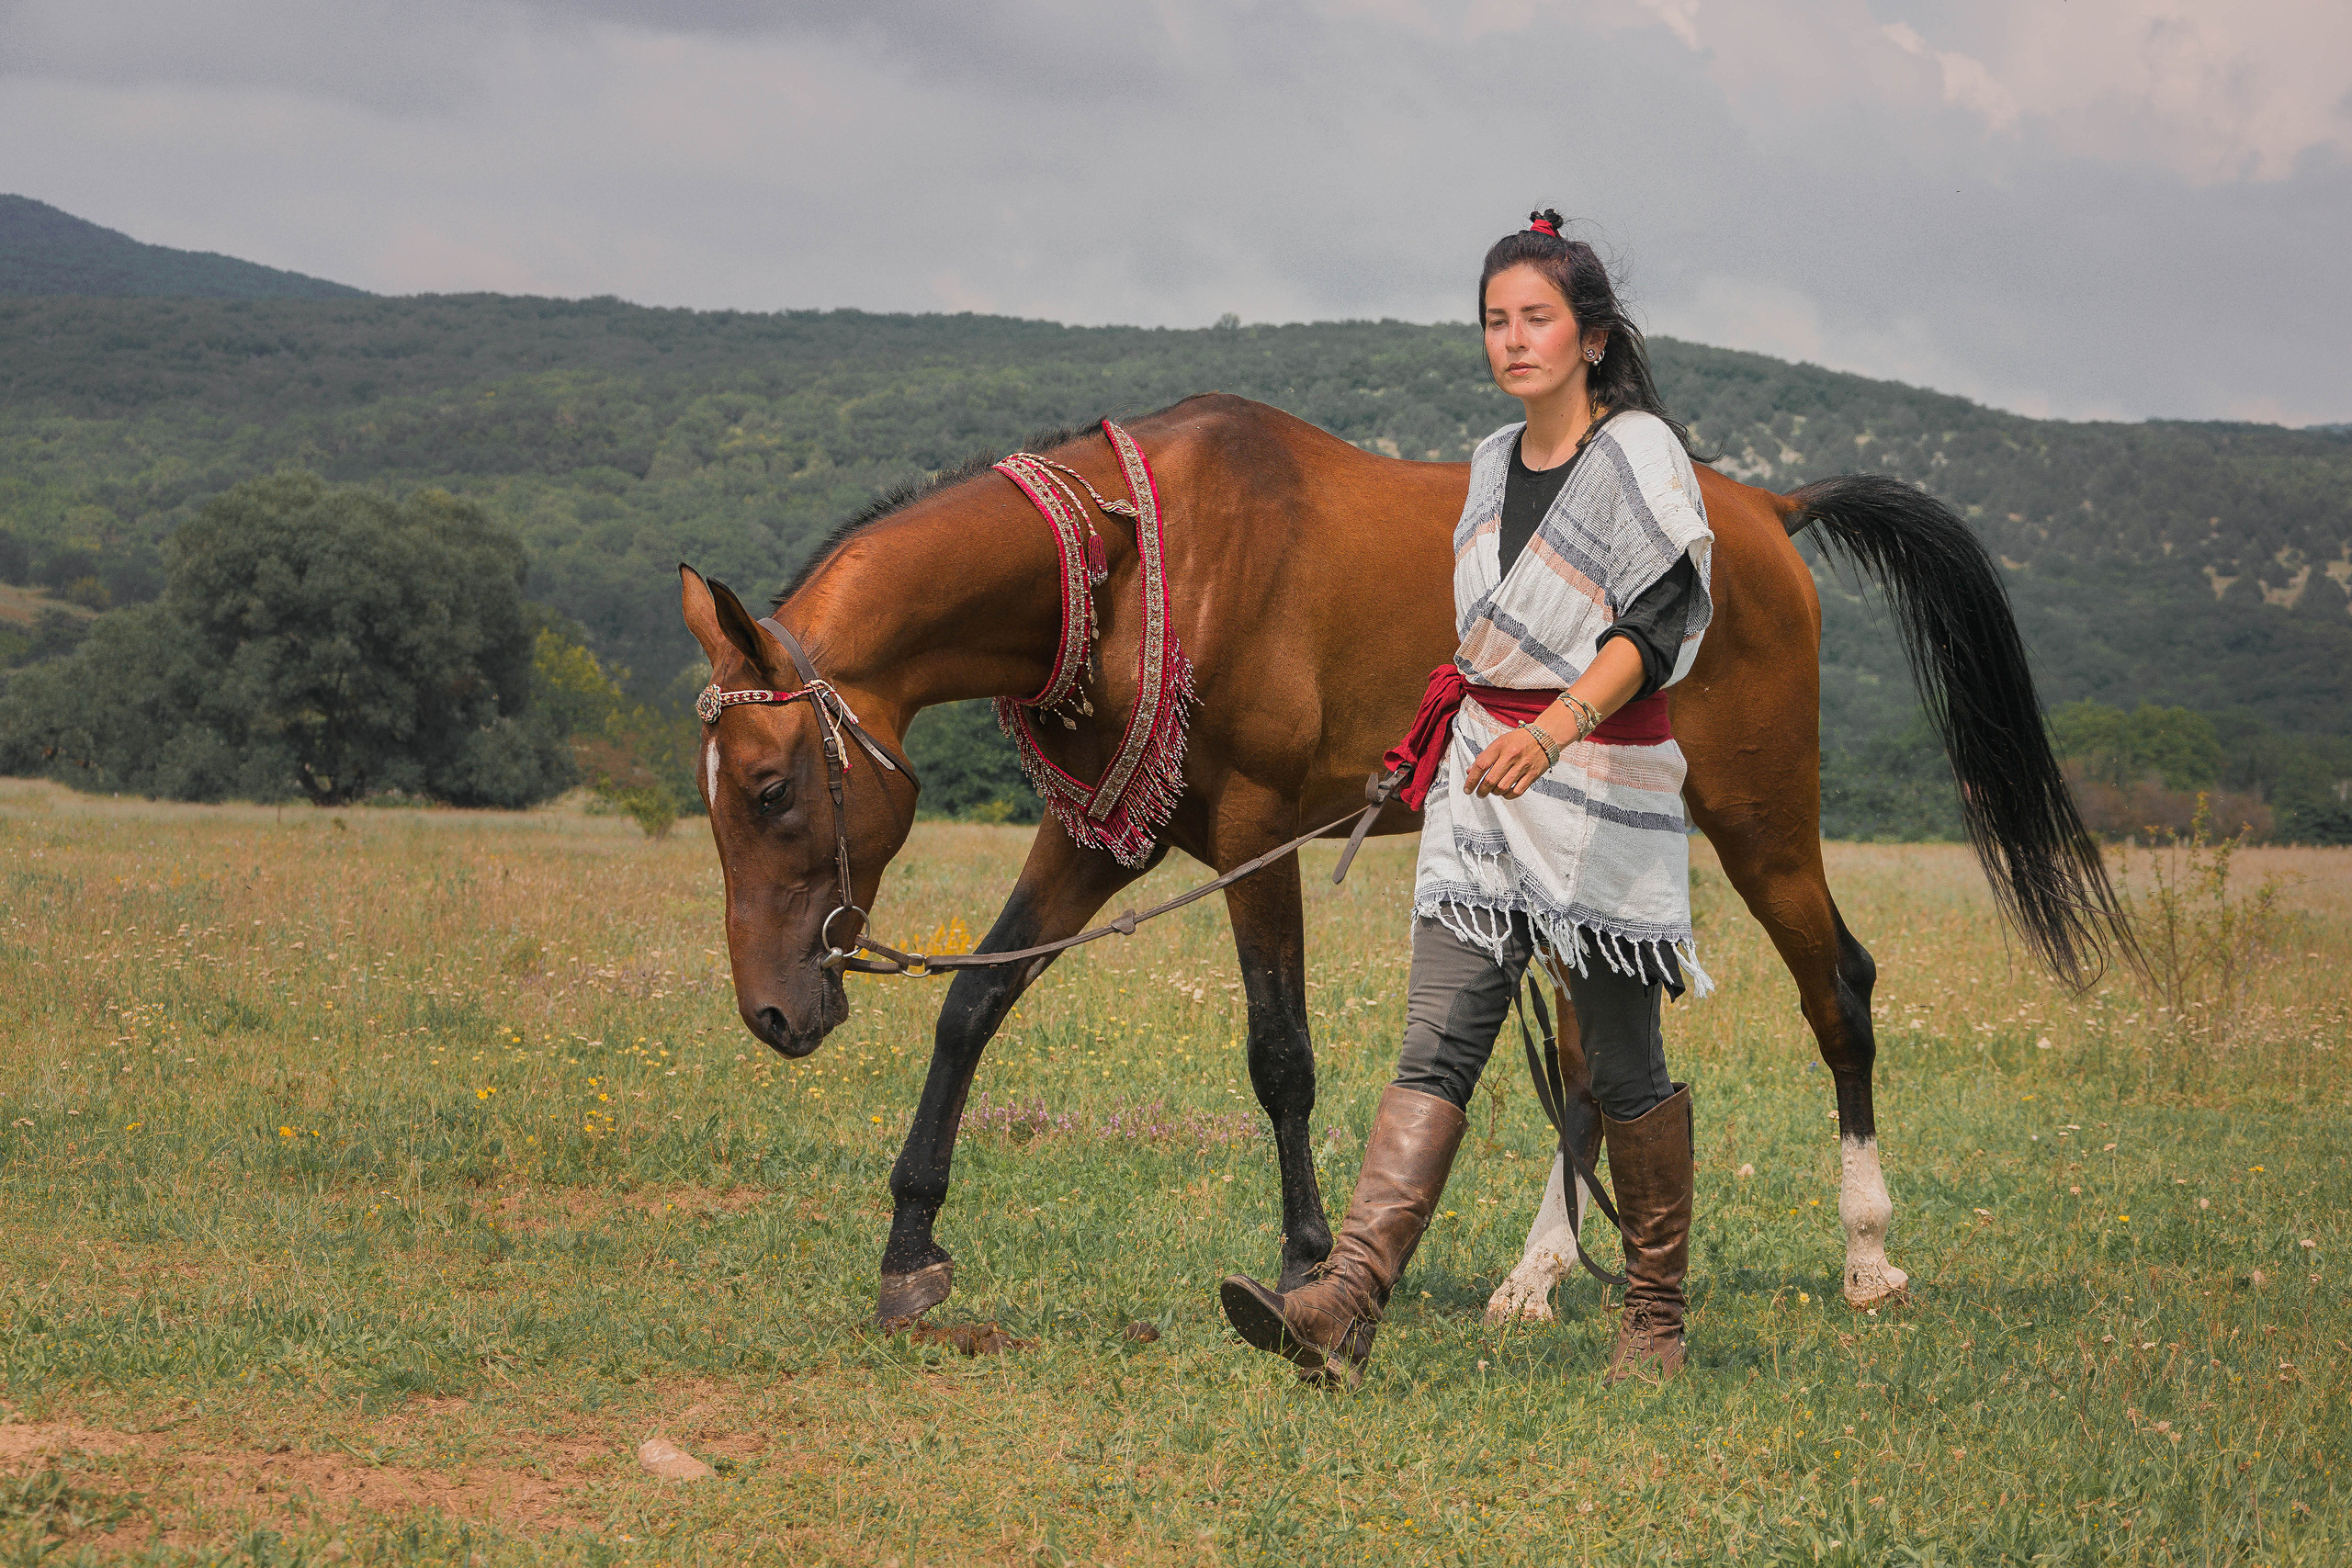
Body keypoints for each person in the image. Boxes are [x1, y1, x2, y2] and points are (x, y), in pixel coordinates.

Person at [1220, 209, 1713, 1387]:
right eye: (1495, 320)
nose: (1511, 339)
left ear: (1590, 337)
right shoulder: (1491, 463)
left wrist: (1551, 729)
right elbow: (1486, 635)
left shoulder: (1640, 453)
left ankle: (1653, 1319)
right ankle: (1344, 1301)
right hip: (1480, 785)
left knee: (1625, 1061)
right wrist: (1493, 736)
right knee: (1436, 1043)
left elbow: (1656, 625)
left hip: (1592, 782)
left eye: (1535, 318)